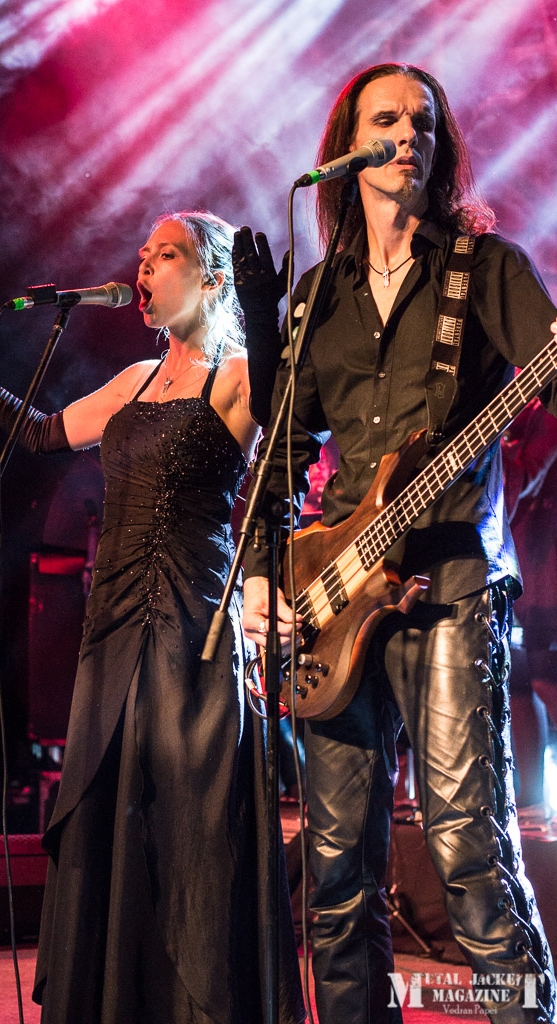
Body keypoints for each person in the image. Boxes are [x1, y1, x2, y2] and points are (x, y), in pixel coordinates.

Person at [0, 210, 305, 1024]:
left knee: (193, 825)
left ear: (211, 278)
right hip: (114, 624)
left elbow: (287, 418)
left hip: (193, 626)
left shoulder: (238, 376)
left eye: (165, 255)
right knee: (109, 814)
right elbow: (39, 432)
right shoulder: (133, 379)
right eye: (142, 254)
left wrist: (263, 317)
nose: (144, 267)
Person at [236, 63, 557, 1023]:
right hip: (334, 600)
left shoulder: (483, 269)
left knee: (468, 850)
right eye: (387, 119)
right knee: (335, 872)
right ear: (348, 148)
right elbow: (284, 451)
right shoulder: (317, 295)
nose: (408, 133)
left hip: (452, 581)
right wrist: (262, 576)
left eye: (423, 121)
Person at [503, 398, 557, 824]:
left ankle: (538, 799)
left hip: (544, 561)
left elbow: (525, 477)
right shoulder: (516, 408)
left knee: (545, 679)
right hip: (514, 557)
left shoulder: (547, 412)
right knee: (519, 683)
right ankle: (532, 800)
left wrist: (498, 451)